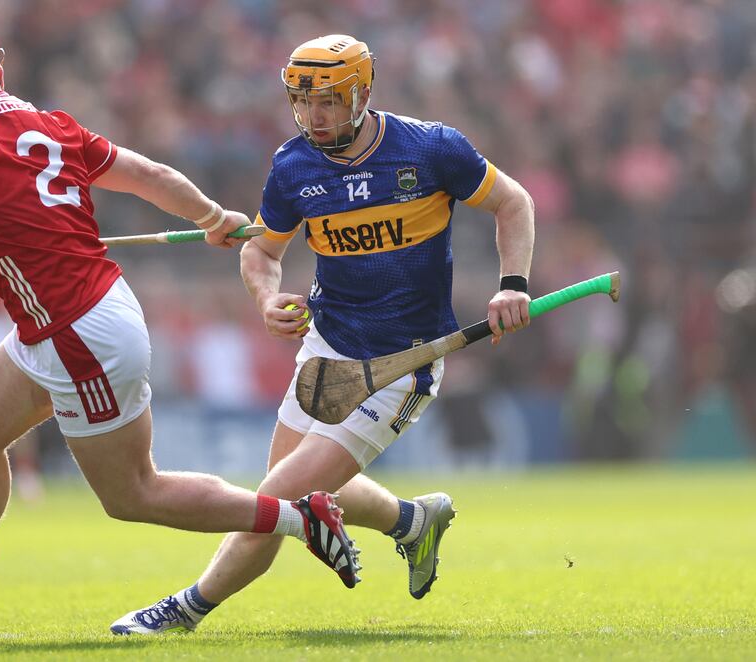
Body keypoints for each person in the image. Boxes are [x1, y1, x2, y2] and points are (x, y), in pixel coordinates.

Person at [0, 21, 360, 631]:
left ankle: (299, 518)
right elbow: (151, 174)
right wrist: (212, 216)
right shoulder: (51, 123)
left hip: (78, 332)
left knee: (133, 495)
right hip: (66, 321)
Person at [112, 34, 535, 635]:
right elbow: (261, 252)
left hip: (403, 363)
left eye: (330, 101)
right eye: (304, 101)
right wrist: (266, 298)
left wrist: (512, 283)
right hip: (327, 345)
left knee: (278, 494)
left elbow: (513, 203)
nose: (315, 115)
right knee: (296, 489)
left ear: (363, 93)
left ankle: (185, 609)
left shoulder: (432, 149)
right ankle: (413, 522)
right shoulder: (293, 167)